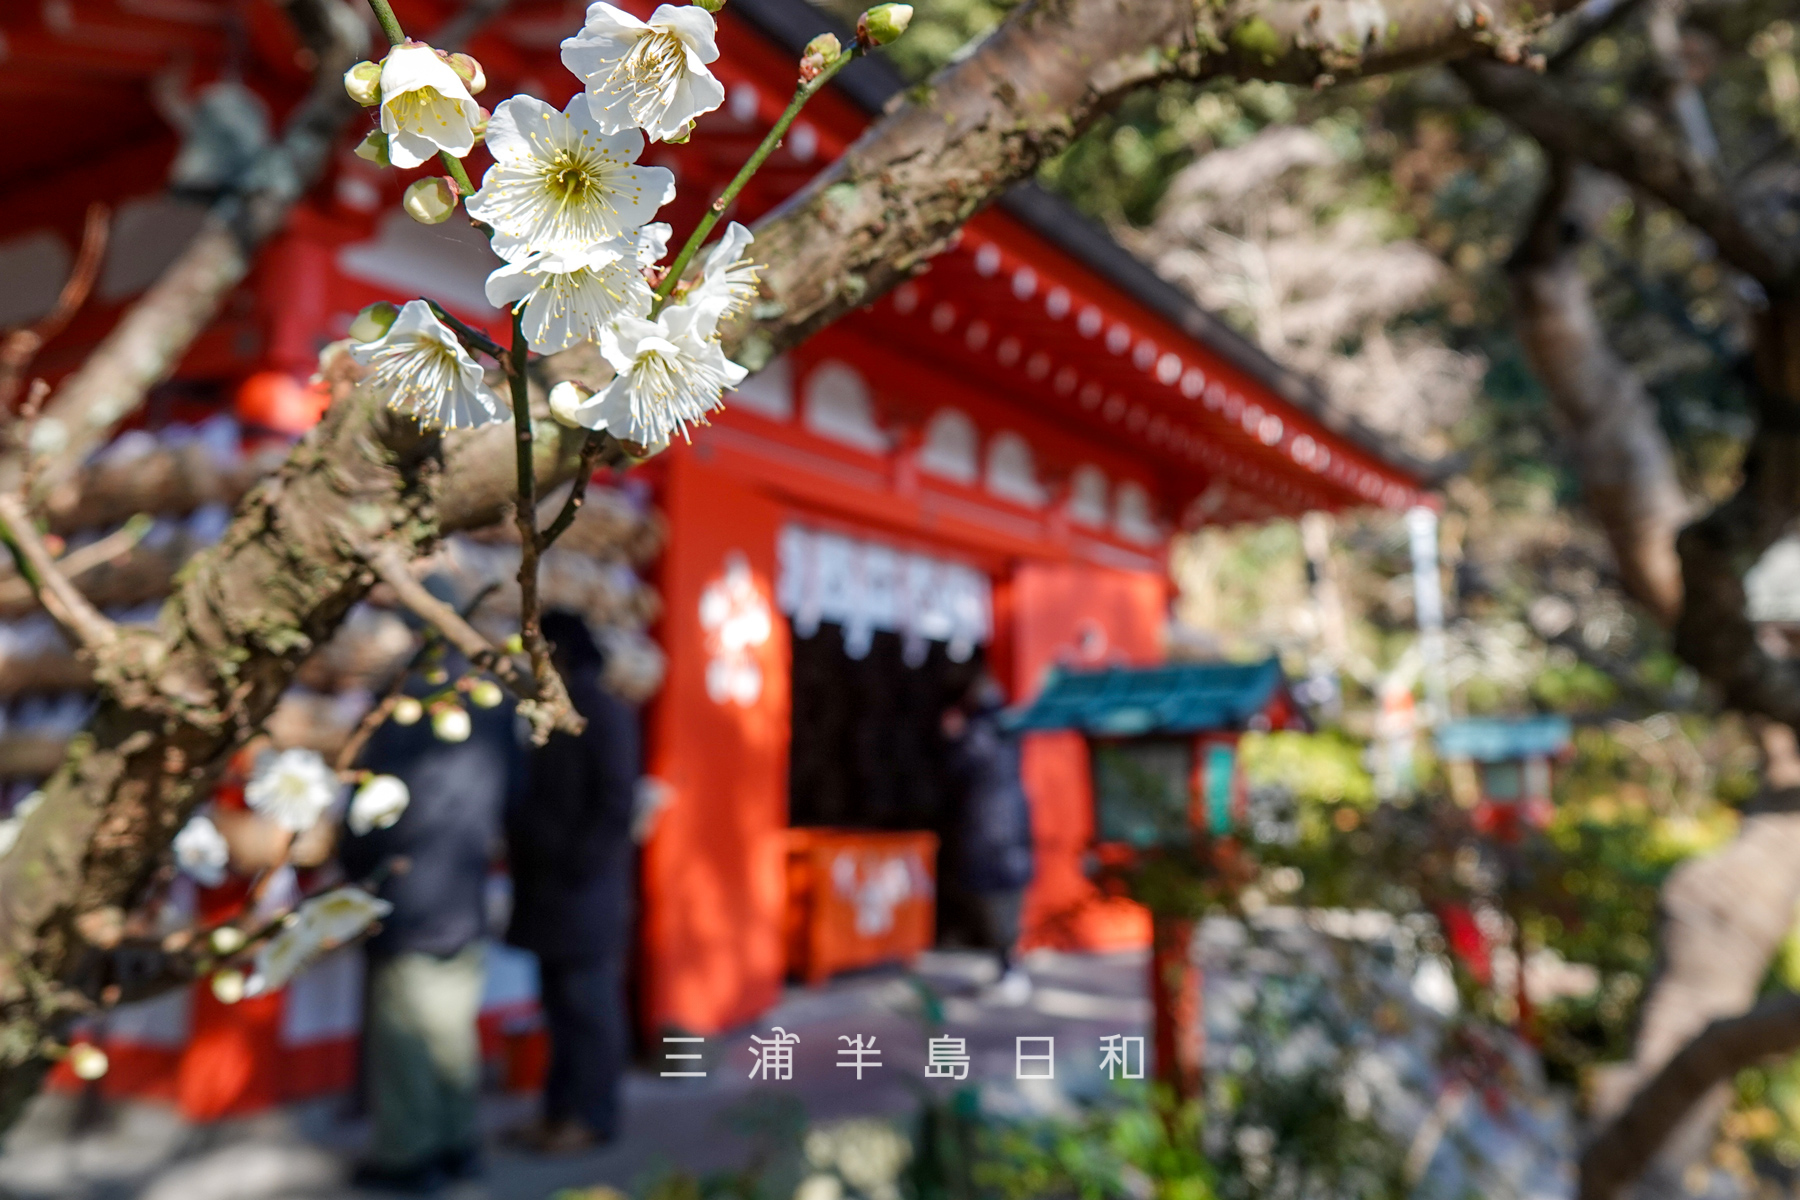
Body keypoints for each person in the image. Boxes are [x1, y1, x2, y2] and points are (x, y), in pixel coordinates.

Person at [341, 633, 524, 1193]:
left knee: (405, 1036)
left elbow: (369, 806)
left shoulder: (401, 703)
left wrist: (355, 866)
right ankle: (458, 1143)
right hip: (463, 891)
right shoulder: (495, 707)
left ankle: (408, 1155)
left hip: (406, 891)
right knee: (450, 1031)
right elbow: (514, 793)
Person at [503, 610, 641, 1152]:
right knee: (560, 1011)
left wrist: (574, 864)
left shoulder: (603, 713)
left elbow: (615, 804)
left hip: (583, 893)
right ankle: (559, 1111)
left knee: (588, 1010)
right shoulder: (552, 711)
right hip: (553, 890)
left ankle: (592, 1117)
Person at [942, 673, 1036, 1004]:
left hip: (989, 834)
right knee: (1006, 903)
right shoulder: (1009, 732)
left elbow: (956, 769)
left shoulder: (977, 736)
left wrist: (953, 736)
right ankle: (1008, 967)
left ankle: (1008, 968)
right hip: (1013, 830)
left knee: (996, 906)